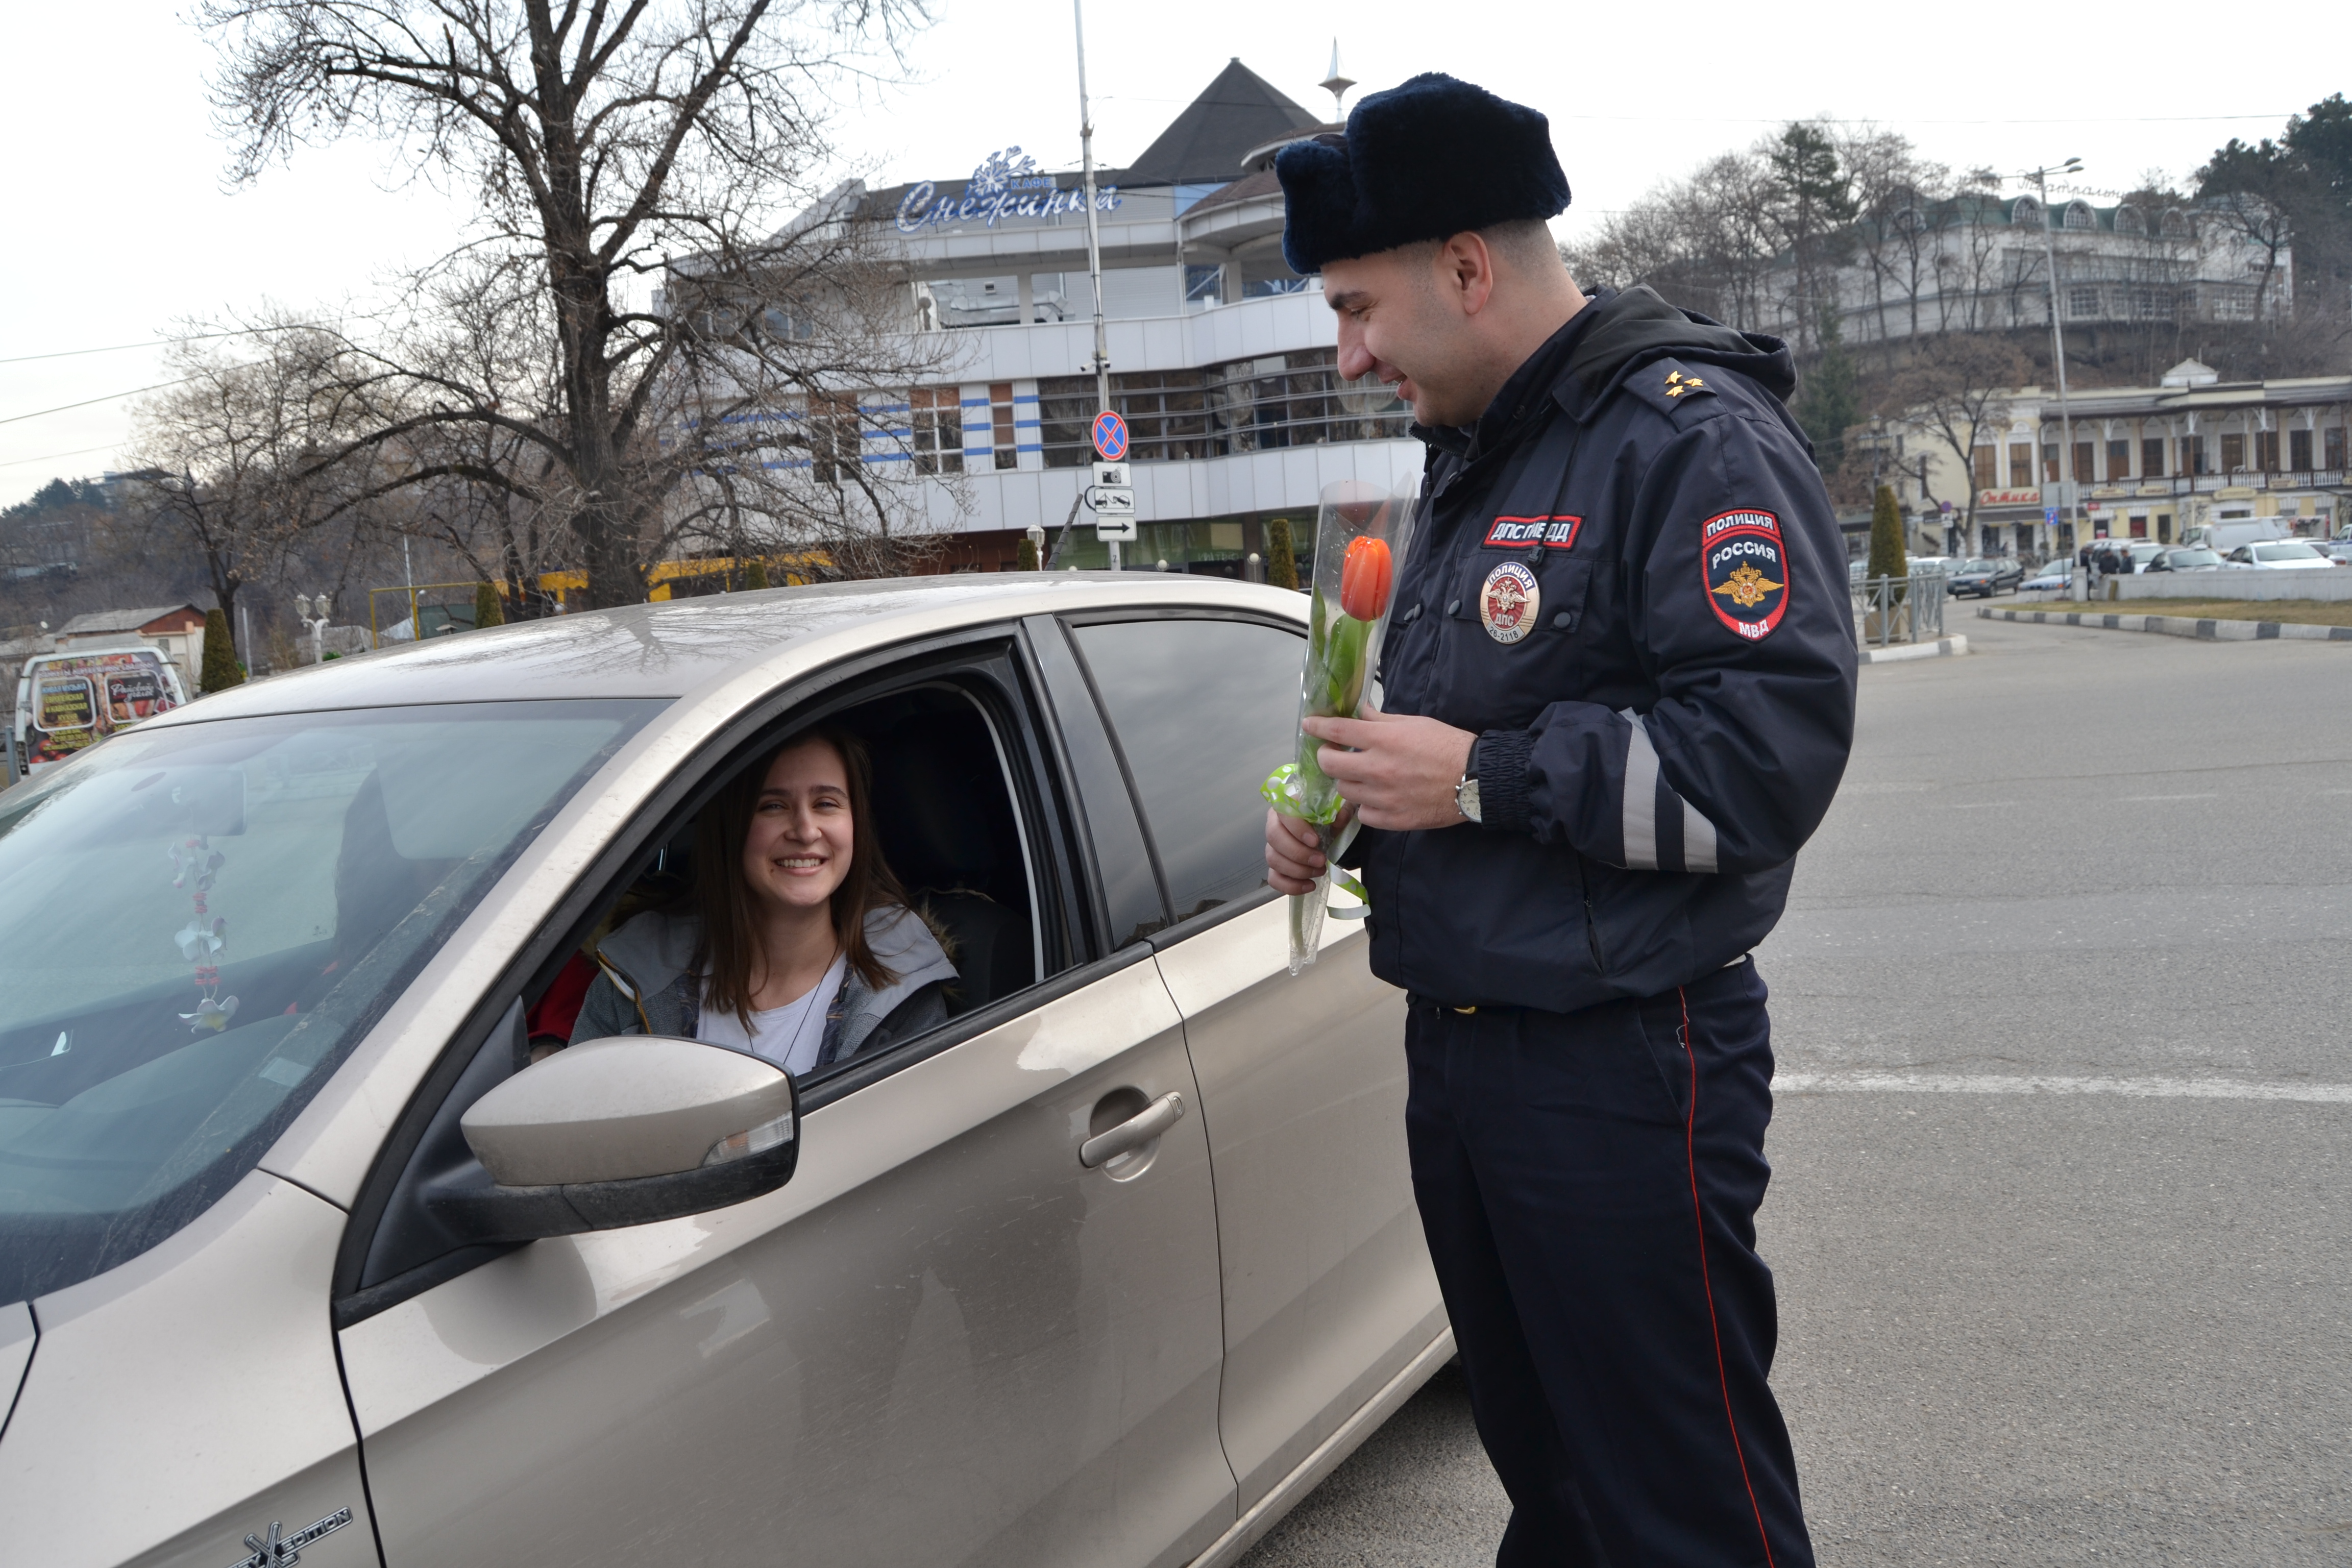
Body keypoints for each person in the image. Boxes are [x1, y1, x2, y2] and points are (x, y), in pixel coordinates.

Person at [1262, 75, 1855, 1568]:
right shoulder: (1483, 446)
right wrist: (1357, 814)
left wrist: (1470, 779)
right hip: (1468, 1051)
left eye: (1357, 308)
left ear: (1466, 266)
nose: (1348, 356)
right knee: (1563, 1494)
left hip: (1620, 1060)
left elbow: (1764, 761)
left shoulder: (1685, 438)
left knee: (1679, 1509)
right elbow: (1474, 724)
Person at [570, 727, 956, 1072]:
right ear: (729, 827)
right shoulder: (633, 977)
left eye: (826, 803)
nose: (806, 831)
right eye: (773, 805)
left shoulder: (906, 991)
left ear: (855, 823)